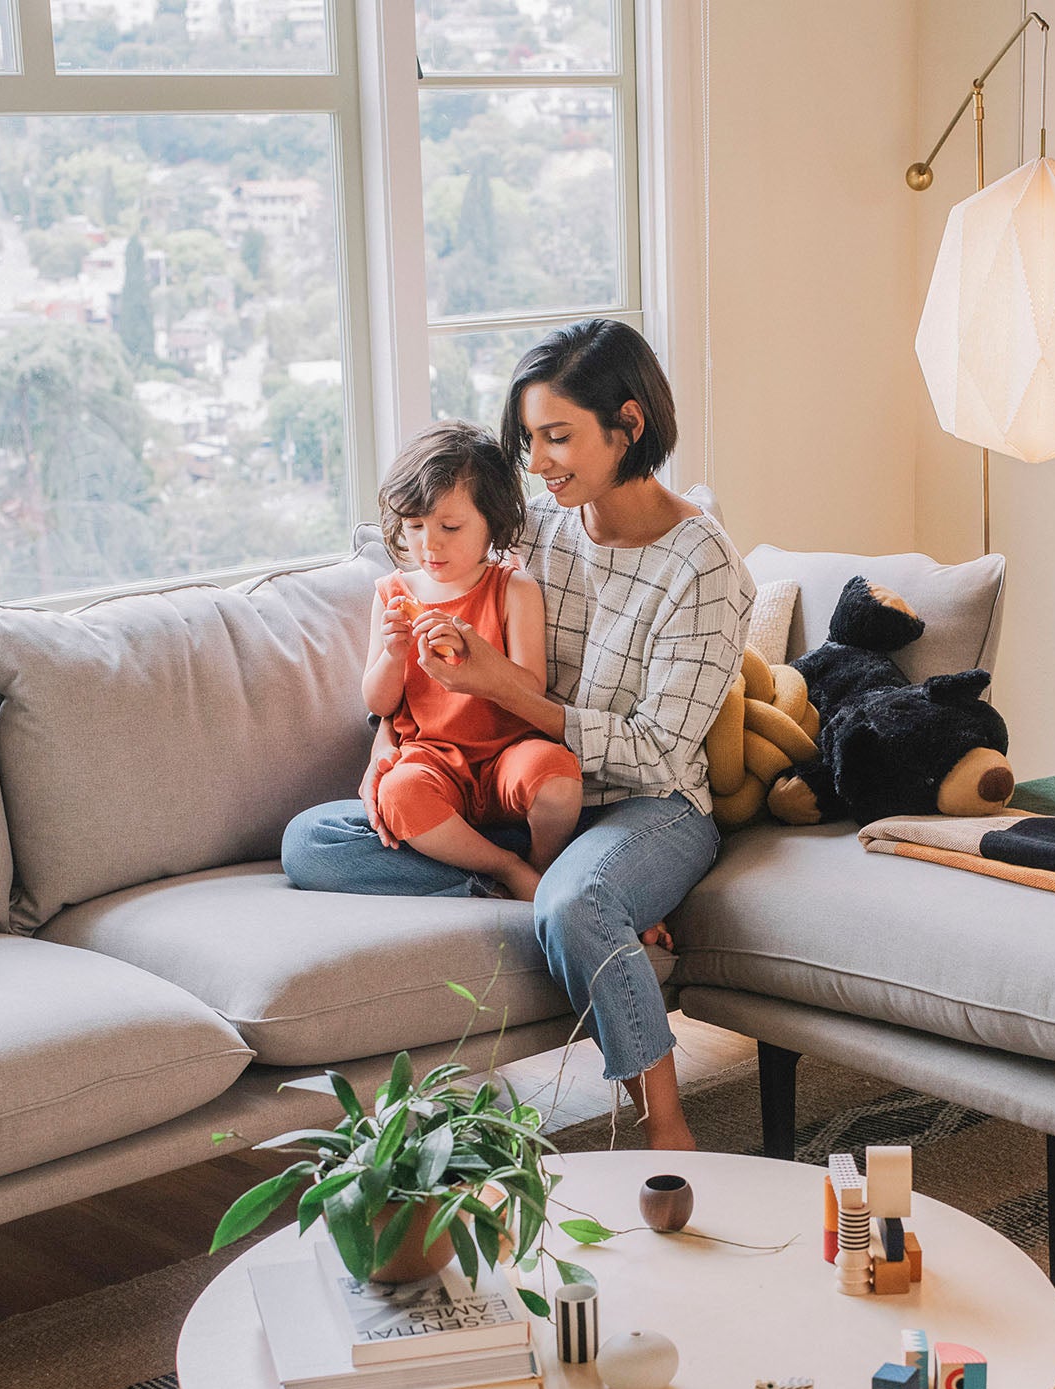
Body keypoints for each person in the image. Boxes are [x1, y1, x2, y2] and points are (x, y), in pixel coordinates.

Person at [282, 320, 755, 1150]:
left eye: (557, 438)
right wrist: (386, 737)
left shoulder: (705, 568)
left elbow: (652, 750)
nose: (536, 464)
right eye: (529, 439)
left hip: (649, 803)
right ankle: (524, 882)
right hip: (514, 791)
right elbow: (428, 554)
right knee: (311, 841)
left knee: (578, 902)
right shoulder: (537, 525)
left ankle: (666, 1122)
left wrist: (503, 686)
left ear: (630, 425)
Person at [362, 421, 584, 902]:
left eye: (450, 527)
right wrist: (394, 656)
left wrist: (478, 659)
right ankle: (506, 867)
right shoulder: (392, 595)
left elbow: (533, 686)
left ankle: (542, 869)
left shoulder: (512, 589)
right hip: (434, 762)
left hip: (508, 755)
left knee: (560, 779)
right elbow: (378, 702)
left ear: (493, 522)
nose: (429, 544)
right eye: (415, 526)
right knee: (395, 794)